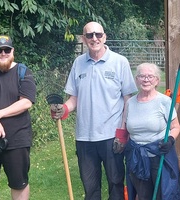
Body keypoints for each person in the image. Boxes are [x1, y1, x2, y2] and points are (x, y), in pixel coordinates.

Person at [50, 22, 138, 199]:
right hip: (84, 137)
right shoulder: (78, 63)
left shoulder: (120, 62)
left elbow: (128, 100)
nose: (94, 38)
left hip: (111, 135)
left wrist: (122, 133)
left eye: (98, 34)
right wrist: (64, 109)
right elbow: (74, 98)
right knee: (90, 187)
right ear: (84, 39)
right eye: (89, 35)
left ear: (104, 37)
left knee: (115, 183)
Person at [0, 35, 36, 199]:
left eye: (7, 50)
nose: (3, 53)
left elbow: (25, 103)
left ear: (13, 51)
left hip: (17, 140)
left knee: (19, 183)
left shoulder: (23, 72)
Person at [124, 63, 180, 200]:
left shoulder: (164, 101)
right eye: (142, 76)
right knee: (144, 196)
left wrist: (170, 140)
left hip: (159, 156)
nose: (146, 80)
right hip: (137, 158)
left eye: (150, 76)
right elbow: (127, 129)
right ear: (137, 79)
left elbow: (175, 127)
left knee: (163, 195)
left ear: (157, 80)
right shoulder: (130, 103)